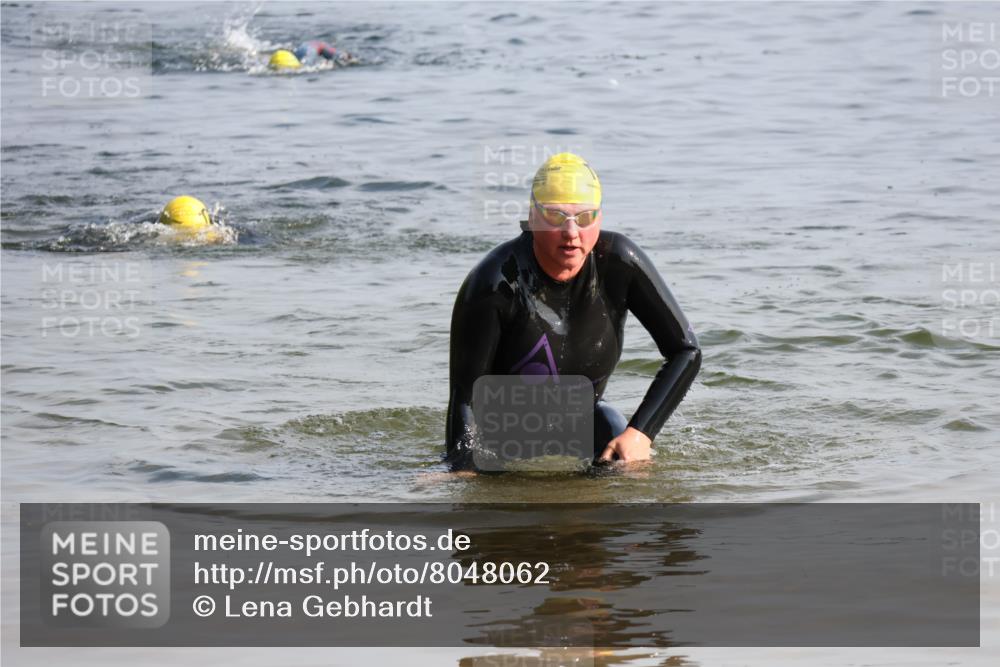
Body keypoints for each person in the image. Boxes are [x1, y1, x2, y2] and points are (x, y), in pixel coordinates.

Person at [445, 153, 701, 471]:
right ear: (531, 217)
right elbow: (465, 398)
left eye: (584, 217)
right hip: (500, 436)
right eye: (555, 217)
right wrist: (461, 471)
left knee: (627, 465)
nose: (571, 232)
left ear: (599, 218)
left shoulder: (619, 263)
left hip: (588, 421)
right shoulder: (494, 281)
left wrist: (641, 433)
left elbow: (686, 350)